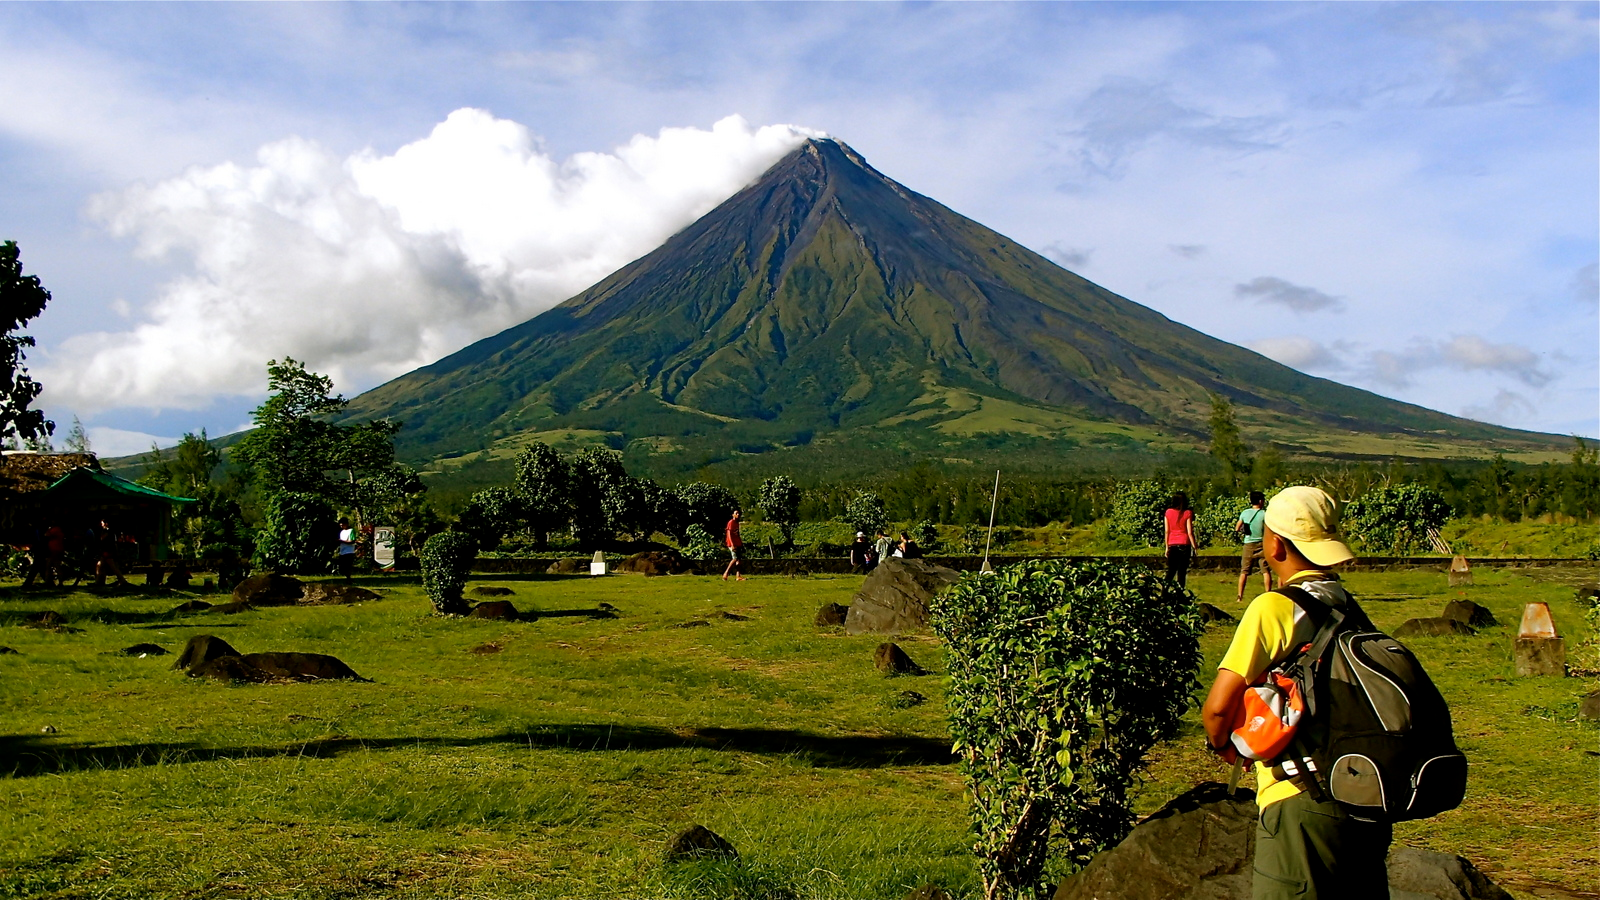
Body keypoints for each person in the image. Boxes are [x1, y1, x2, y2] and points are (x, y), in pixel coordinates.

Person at [1201, 486, 1392, 900]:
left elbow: (1217, 709)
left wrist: (1226, 747)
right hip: (1361, 794)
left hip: (1300, 798)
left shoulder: (1274, 607)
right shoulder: (1347, 604)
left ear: (1275, 543)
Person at [1235, 490, 1272, 601]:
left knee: (1244, 571)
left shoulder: (1245, 513)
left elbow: (1237, 528)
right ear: (1261, 501)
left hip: (1248, 544)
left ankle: (1239, 596)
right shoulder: (1265, 514)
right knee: (1265, 571)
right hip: (1262, 543)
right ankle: (1268, 593)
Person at [1163, 492, 1195, 590]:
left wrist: (1167, 547)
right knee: (1182, 572)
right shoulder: (1187, 513)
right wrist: (1195, 546)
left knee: (1171, 571)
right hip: (1184, 543)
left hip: (1172, 543)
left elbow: (1167, 531)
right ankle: (1179, 593)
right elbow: (1189, 532)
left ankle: (1164, 592)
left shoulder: (1168, 512)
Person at [93, 519, 129, 588]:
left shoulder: (107, 530)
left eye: (102, 523)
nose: (101, 524)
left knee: (113, 567)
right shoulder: (111, 531)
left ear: (106, 523)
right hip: (106, 551)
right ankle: (98, 582)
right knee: (100, 566)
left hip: (107, 551)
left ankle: (122, 580)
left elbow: (102, 538)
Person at [722, 509, 746, 581]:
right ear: (733, 515)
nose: (738, 514)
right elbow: (729, 534)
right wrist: (732, 544)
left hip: (737, 543)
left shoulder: (737, 523)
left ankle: (738, 576)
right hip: (732, 543)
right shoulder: (731, 522)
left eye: (739, 513)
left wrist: (741, 543)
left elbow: (737, 534)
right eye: (736, 513)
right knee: (735, 559)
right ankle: (726, 574)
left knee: (738, 560)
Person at [336, 518, 357, 582]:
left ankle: (349, 578)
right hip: (342, 551)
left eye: (343, 525)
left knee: (348, 566)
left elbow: (352, 541)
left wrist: (342, 541)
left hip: (349, 551)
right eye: (340, 525)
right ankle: (346, 577)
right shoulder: (342, 532)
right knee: (342, 566)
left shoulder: (351, 531)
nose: (341, 526)